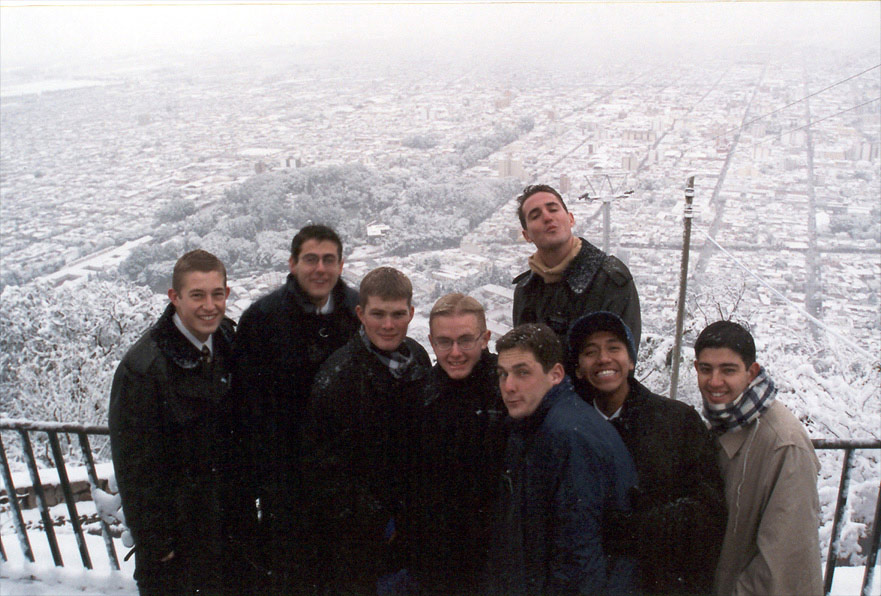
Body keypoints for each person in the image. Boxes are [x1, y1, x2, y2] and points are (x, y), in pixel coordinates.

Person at [108, 250, 246, 595]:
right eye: (197, 295)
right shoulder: (143, 369)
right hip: (178, 550)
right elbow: (135, 467)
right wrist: (158, 547)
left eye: (217, 294)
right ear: (175, 297)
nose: (209, 305)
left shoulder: (228, 340)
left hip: (229, 533)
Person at [232, 224, 359, 592]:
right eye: (310, 259)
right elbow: (247, 407)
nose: (320, 269)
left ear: (340, 264)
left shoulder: (359, 313)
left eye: (328, 260)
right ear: (292, 263)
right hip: (287, 485)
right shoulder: (261, 319)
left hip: (347, 484)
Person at [569, 311, 727, 595]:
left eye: (614, 348)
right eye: (590, 352)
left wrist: (633, 530)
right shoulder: (568, 429)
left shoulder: (676, 422)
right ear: (578, 367)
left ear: (630, 361)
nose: (603, 358)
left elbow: (707, 512)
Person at [305, 266, 431, 594]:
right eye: (378, 314)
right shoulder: (338, 378)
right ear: (361, 313)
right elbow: (324, 471)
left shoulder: (417, 358)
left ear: (411, 313)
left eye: (397, 314)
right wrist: (381, 522)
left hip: (414, 527)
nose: (388, 325)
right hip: (363, 541)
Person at [488, 323, 639, 595]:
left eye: (522, 373)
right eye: (503, 374)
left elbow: (577, 557)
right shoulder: (542, 424)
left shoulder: (566, 436)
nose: (508, 386)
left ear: (556, 374)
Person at [693, 320, 822, 596]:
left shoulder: (783, 444)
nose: (715, 381)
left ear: (751, 372)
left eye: (728, 370)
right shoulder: (721, 423)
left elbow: (780, 568)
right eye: (706, 369)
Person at [413, 293, 508, 594]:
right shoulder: (421, 396)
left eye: (466, 340)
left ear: (485, 339)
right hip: (439, 559)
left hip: (499, 554)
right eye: (444, 342)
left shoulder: (509, 390)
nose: (455, 352)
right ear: (431, 341)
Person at [511, 184, 641, 349]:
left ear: (571, 219)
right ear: (526, 235)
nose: (547, 217)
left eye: (553, 209)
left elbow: (618, 363)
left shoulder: (610, 280)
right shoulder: (525, 290)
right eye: (535, 216)